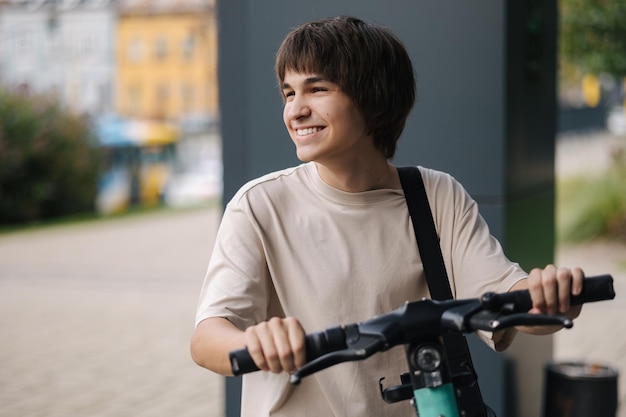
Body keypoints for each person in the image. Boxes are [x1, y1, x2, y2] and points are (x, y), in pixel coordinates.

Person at [190, 16, 584, 417]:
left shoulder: (436, 195)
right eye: (289, 93)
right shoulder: (259, 205)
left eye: (318, 89)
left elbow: (511, 299)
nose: (296, 110)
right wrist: (256, 343)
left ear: (373, 99)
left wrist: (550, 297)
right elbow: (207, 339)